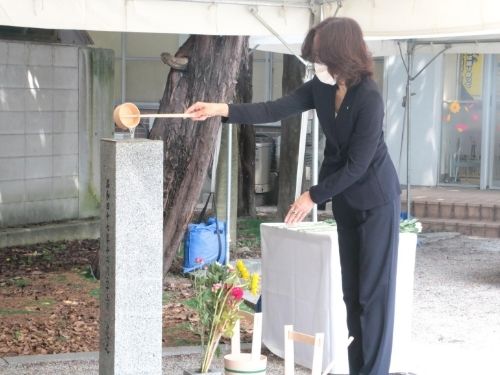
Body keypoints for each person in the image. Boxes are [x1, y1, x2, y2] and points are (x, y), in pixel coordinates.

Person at [186, 17, 401, 375]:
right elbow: (274, 108)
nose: (317, 64)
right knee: (352, 295)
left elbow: (358, 166)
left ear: (340, 54)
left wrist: (311, 197)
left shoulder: (370, 99)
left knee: (374, 297)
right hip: (347, 203)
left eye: (321, 57)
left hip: (377, 201)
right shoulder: (320, 86)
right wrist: (220, 109)